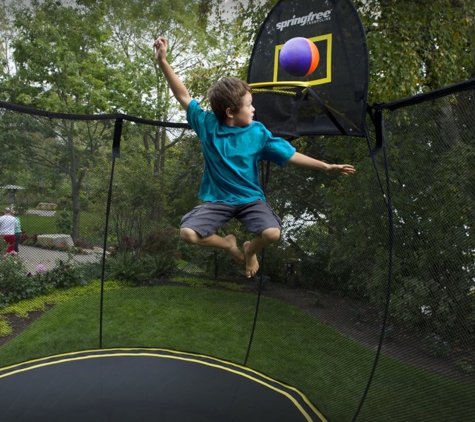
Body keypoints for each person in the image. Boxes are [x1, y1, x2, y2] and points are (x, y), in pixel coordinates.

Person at [154, 37, 356, 278]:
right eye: (249, 105)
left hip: (250, 200)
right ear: (230, 112)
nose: (254, 109)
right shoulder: (207, 125)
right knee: (188, 233)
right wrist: (163, 61)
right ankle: (228, 244)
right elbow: (183, 95)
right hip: (219, 200)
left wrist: (325, 167)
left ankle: (249, 250)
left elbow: (291, 155)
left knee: (272, 233)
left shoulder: (258, 132)